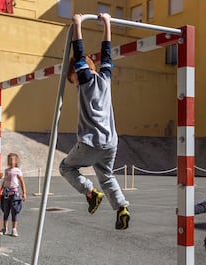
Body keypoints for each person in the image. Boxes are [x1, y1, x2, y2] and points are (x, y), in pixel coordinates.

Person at [59, 13, 130, 230]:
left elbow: (78, 51)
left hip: (91, 141)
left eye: (72, 80)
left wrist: (78, 24)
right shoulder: (105, 78)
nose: (73, 84)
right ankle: (121, 208)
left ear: (79, 73)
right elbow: (107, 54)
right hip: (110, 143)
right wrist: (108, 22)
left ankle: (91, 193)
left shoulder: (85, 81)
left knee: (65, 168)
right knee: (106, 175)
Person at [0, 153, 26, 237]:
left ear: (16, 161)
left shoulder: (17, 170)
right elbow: (5, 181)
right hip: (6, 193)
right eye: (9, 160)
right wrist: (0, 189)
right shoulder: (6, 170)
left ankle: (14, 229)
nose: (10, 162)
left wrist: (24, 193)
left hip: (14, 193)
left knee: (14, 211)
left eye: (12, 160)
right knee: (5, 211)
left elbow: (22, 182)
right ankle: (5, 228)